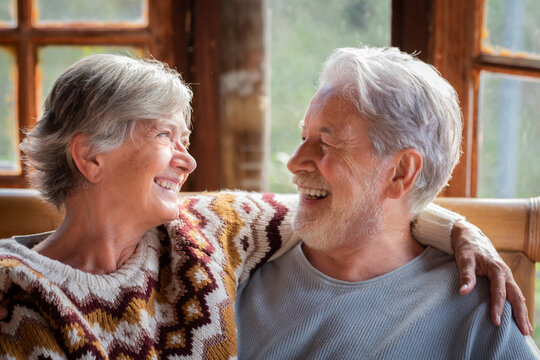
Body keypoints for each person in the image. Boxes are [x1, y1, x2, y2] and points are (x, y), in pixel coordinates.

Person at [0, 54, 529, 359]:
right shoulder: (19, 293)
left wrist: (456, 227)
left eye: (327, 142)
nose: (189, 161)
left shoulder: (207, 238)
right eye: (166, 134)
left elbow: (364, 210)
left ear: (401, 172)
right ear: (91, 157)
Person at [235, 47, 540, 359]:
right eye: (303, 138)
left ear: (401, 172)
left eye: (326, 143)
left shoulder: (480, 316)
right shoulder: (230, 271)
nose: (295, 162)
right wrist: (454, 228)